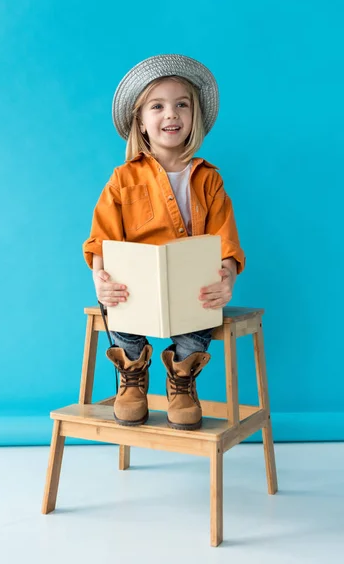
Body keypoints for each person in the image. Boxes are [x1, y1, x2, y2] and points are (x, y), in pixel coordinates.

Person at [83, 54, 245, 431]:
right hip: (135, 288)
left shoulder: (209, 180)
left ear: (194, 117)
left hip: (188, 288)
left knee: (198, 310)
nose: (171, 115)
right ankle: (132, 377)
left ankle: (182, 380)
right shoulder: (123, 179)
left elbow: (226, 241)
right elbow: (101, 238)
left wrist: (226, 276)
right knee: (120, 306)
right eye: (158, 106)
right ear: (141, 120)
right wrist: (100, 278)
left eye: (181, 105)